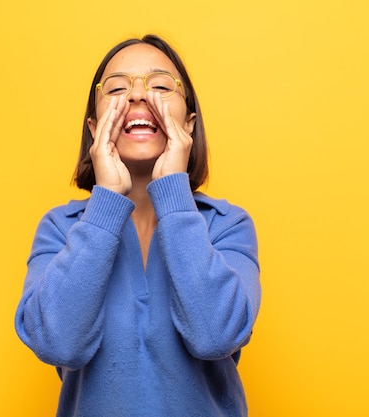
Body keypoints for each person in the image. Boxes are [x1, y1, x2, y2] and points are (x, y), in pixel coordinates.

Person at [15, 34, 261, 416]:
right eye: (116, 88)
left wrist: (174, 194)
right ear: (95, 128)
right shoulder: (61, 228)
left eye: (161, 85)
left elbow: (216, 336)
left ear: (189, 125)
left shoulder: (227, 225)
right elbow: (58, 344)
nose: (138, 96)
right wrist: (107, 200)